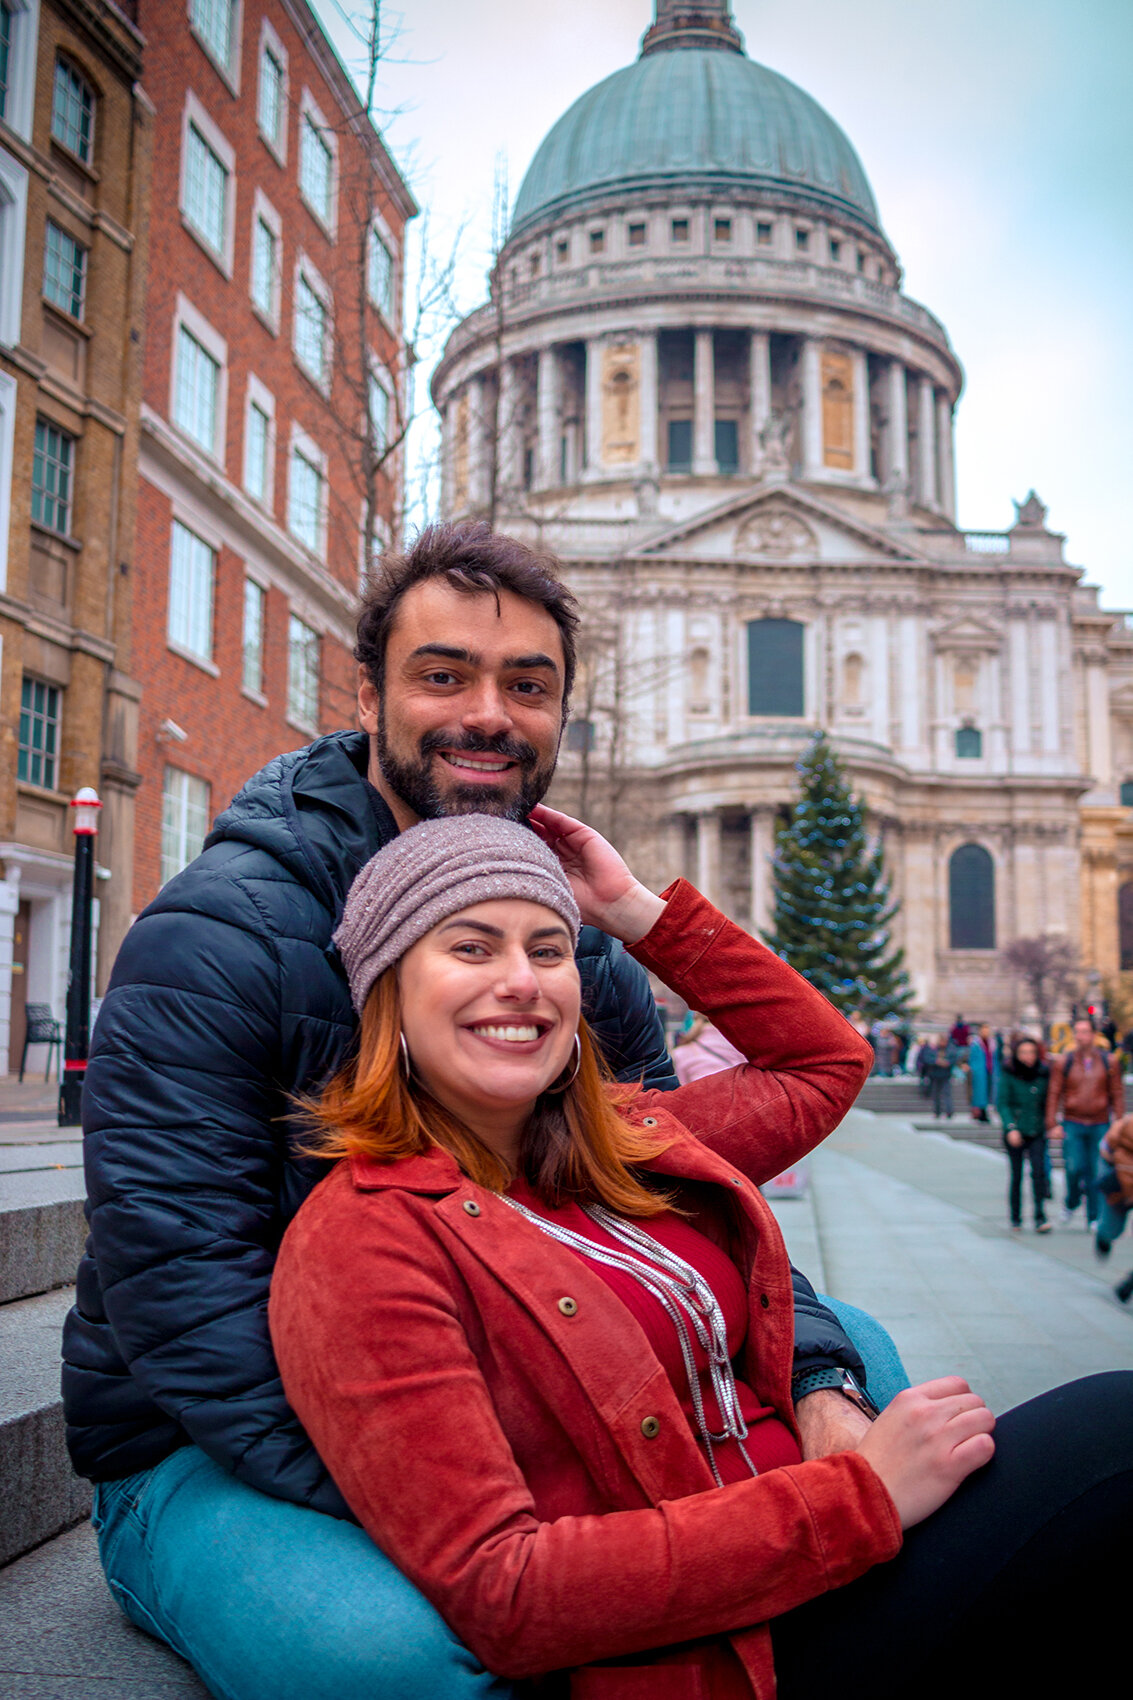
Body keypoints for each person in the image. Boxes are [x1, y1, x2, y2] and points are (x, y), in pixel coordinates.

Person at [272, 809, 1133, 1700]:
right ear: (389, 995)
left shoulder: (629, 1141)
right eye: (472, 948)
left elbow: (824, 1060)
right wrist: (862, 1494)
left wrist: (633, 909)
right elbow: (505, 1591)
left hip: (832, 1565)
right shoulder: (361, 1242)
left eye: (549, 948)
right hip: (736, 1645)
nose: (522, 981)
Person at [63, 525, 690, 1700]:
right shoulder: (214, 938)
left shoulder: (581, 957)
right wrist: (488, 1486)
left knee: (865, 1358)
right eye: (442, 673)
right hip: (213, 1452)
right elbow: (188, 1306)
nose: (488, 714)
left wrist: (816, 1375)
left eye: (528, 684)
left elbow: (686, 1208)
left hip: (522, 1389)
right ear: (367, 696)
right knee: (400, 1658)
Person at [1046, 1016, 1124, 1228]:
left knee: (1096, 1170)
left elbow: (1116, 1093)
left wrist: (1118, 1123)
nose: (1080, 1037)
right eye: (1077, 1032)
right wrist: (1052, 1123)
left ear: (1094, 1035)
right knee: (1073, 1167)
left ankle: (1093, 1215)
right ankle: (1071, 1201)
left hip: (1100, 1122)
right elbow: (1054, 1092)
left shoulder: (1109, 1061)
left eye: (1084, 1032)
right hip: (1073, 1121)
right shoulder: (1065, 1061)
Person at [996, 1038, 1051, 1233]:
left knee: (1038, 1172)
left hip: (1036, 1129)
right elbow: (1003, 1103)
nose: (1028, 1057)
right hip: (1016, 1130)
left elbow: (1049, 1102)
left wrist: (1051, 1123)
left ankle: (1040, 1215)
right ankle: (1015, 1217)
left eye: (1031, 1052)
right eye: (1023, 1052)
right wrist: (1011, 1127)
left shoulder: (1043, 1073)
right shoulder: (1009, 1073)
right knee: (1017, 1175)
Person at [967, 1022, 997, 1123]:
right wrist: (975, 1069)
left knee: (989, 1092)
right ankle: (981, 1112)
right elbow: (972, 1058)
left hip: (990, 1070)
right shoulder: (976, 1044)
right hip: (980, 1071)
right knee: (980, 1093)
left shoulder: (992, 1042)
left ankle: (985, 1111)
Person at [924, 1037, 956, 1118]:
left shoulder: (950, 1049)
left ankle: (949, 1112)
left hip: (946, 1075)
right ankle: (937, 1112)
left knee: (947, 1093)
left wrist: (947, 1063)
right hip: (935, 1075)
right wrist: (936, 1061)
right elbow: (927, 1058)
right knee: (936, 1094)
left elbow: (953, 1059)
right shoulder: (934, 1049)